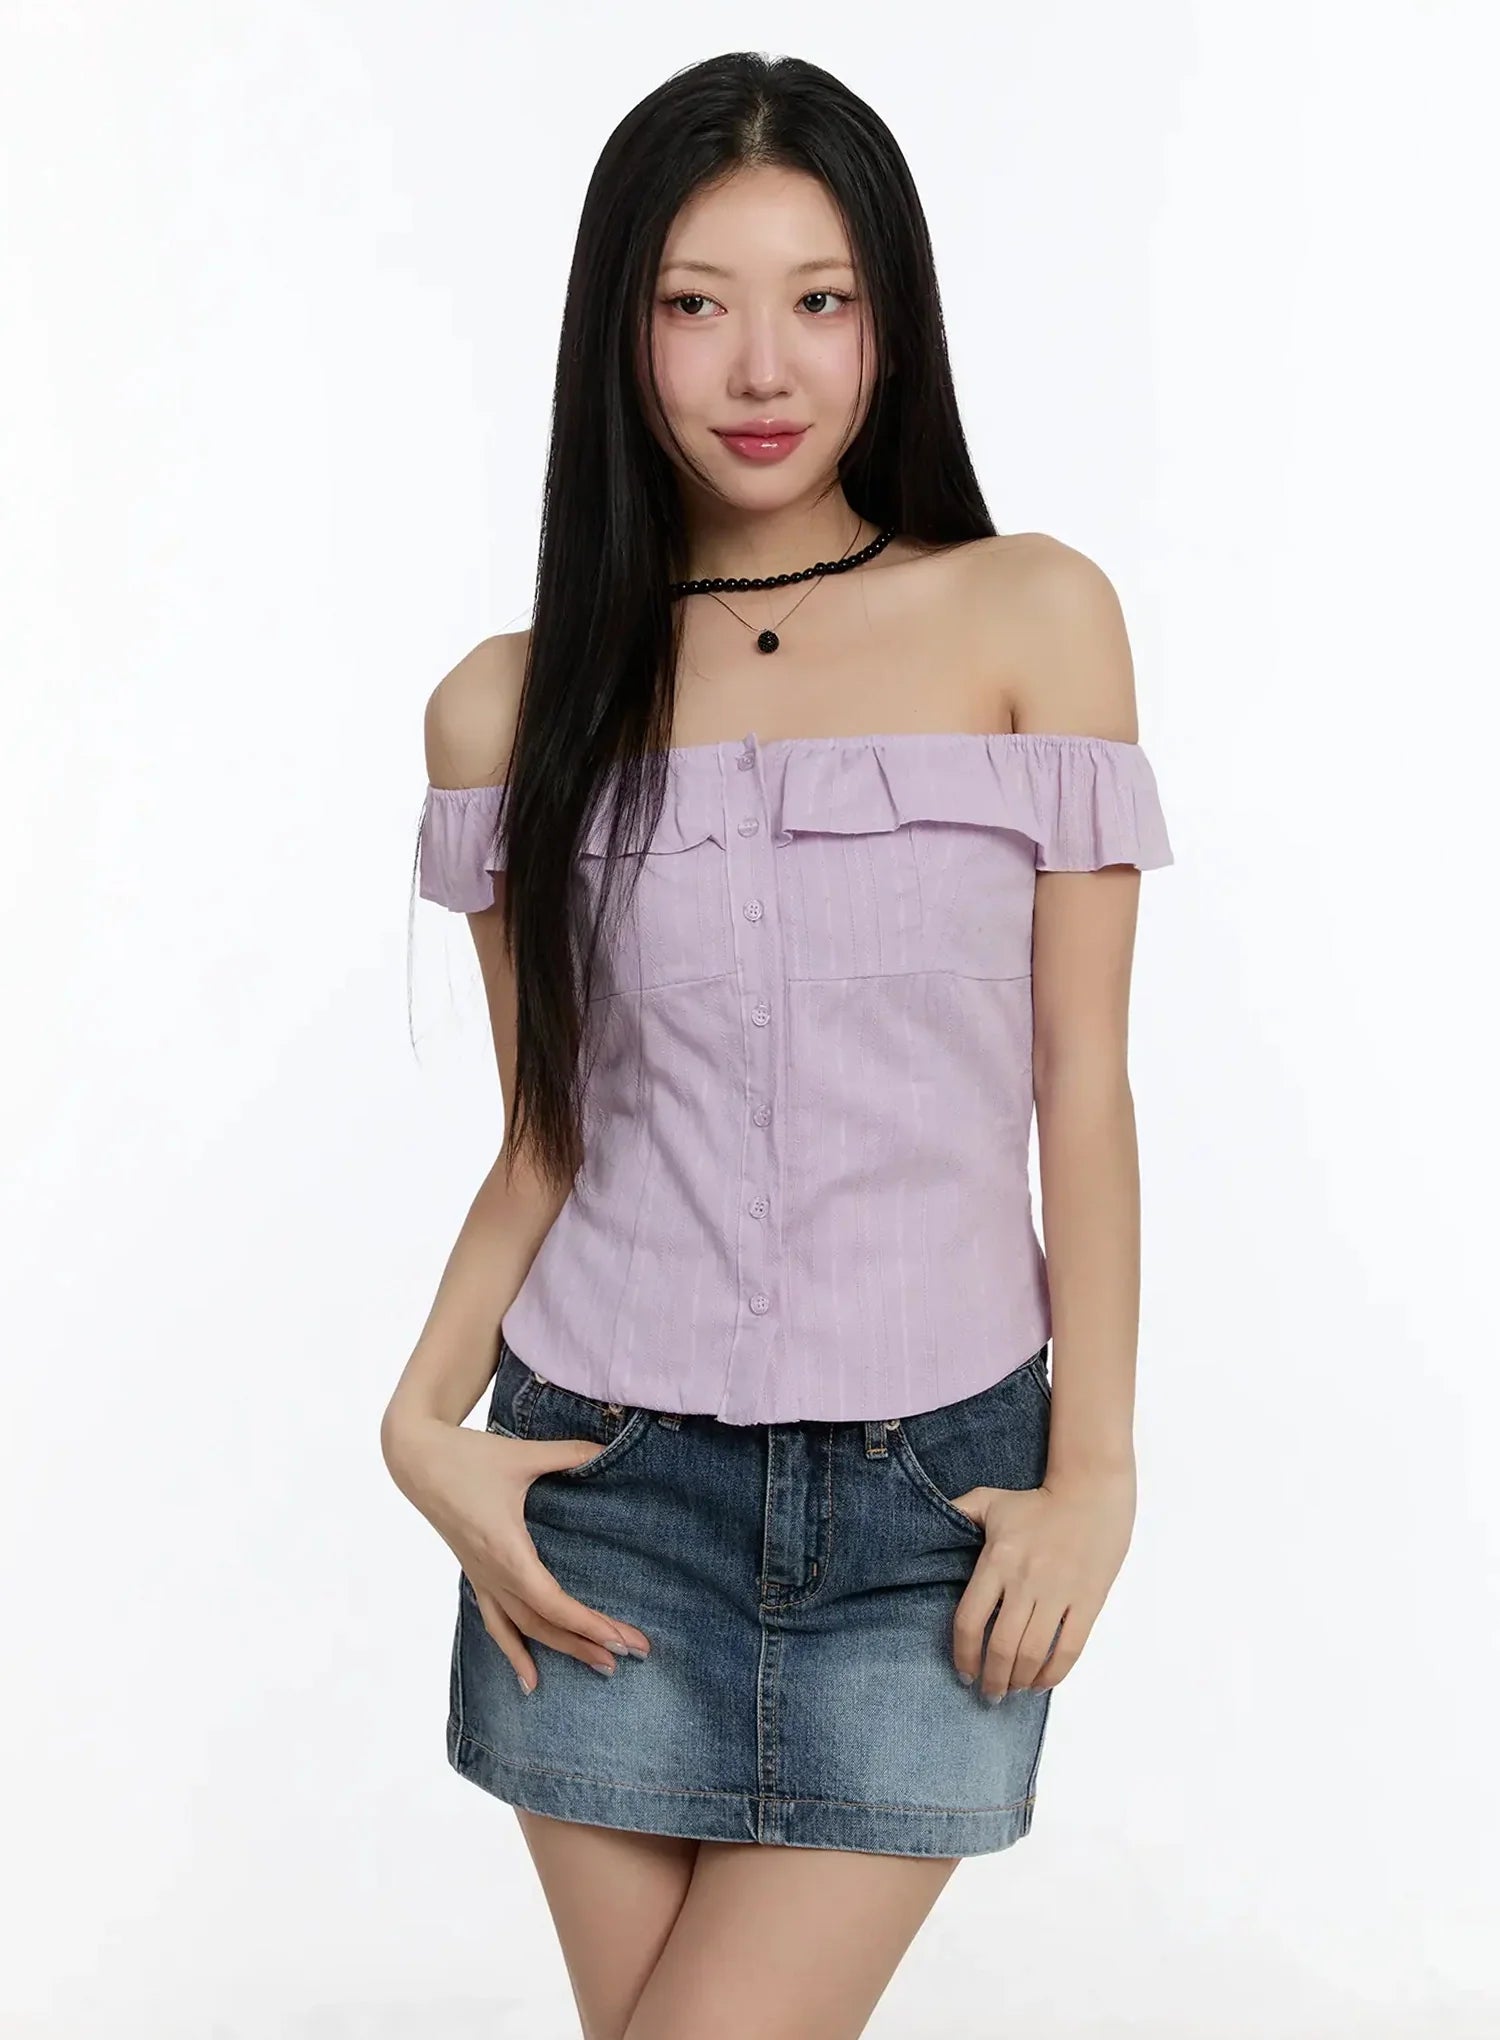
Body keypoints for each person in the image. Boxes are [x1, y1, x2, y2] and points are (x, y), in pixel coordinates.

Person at [380, 48, 1174, 2040]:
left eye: (819, 298)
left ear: (889, 324)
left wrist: (1095, 1470)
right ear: (621, 327)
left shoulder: (1033, 617)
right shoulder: (509, 706)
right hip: (600, 1493)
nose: (762, 365)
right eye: (695, 302)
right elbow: (552, 1128)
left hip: (937, 1508)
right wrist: (420, 1425)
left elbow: (1084, 1085)